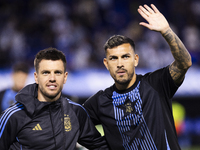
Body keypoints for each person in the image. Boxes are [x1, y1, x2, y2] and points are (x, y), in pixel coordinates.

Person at [83, 4, 192, 150]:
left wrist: (166, 31)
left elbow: (184, 63)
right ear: (106, 63)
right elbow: (73, 125)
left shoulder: (156, 84)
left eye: (125, 57)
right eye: (114, 58)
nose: (120, 63)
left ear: (136, 59)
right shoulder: (99, 102)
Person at [0, 48, 109, 150]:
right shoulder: (14, 115)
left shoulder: (75, 112)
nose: (52, 78)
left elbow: (100, 146)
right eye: (46, 73)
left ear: (65, 77)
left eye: (57, 72)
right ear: (36, 77)